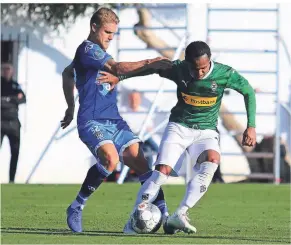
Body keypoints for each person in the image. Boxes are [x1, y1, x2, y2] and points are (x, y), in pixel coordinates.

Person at [99, 41, 256, 234]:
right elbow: (151, 68)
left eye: (204, 68)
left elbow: (248, 91)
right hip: (179, 127)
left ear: (210, 62)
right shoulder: (178, 69)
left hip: (206, 130)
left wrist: (251, 126)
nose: (200, 73)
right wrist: (120, 77)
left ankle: (180, 214)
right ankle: (134, 219)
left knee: (213, 160)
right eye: (196, 68)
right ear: (187, 63)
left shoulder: (224, 74)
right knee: (162, 172)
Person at [61, 7, 172, 234]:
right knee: (110, 160)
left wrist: (136, 72)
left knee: (140, 163)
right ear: (94, 27)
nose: (111, 38)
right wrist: (150, 61)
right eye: (107, 32)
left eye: (113, 34)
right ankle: (76, 206)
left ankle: (165, 213)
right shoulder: (88, 49)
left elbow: (66, 73)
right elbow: (118, 68)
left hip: (114, 120)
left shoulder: (98, 56)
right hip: (92, 121)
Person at [1, 62, 26, 183]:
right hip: (1, 122)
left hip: (13, 123)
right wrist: (13, 100)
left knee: (15, 151)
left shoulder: (15, 86)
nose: (6, 71)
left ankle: (12, 180)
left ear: (12, 71)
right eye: (4, 69)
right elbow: (17, 99)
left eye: (8, 69)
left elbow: (23, 99)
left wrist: (8, 100)